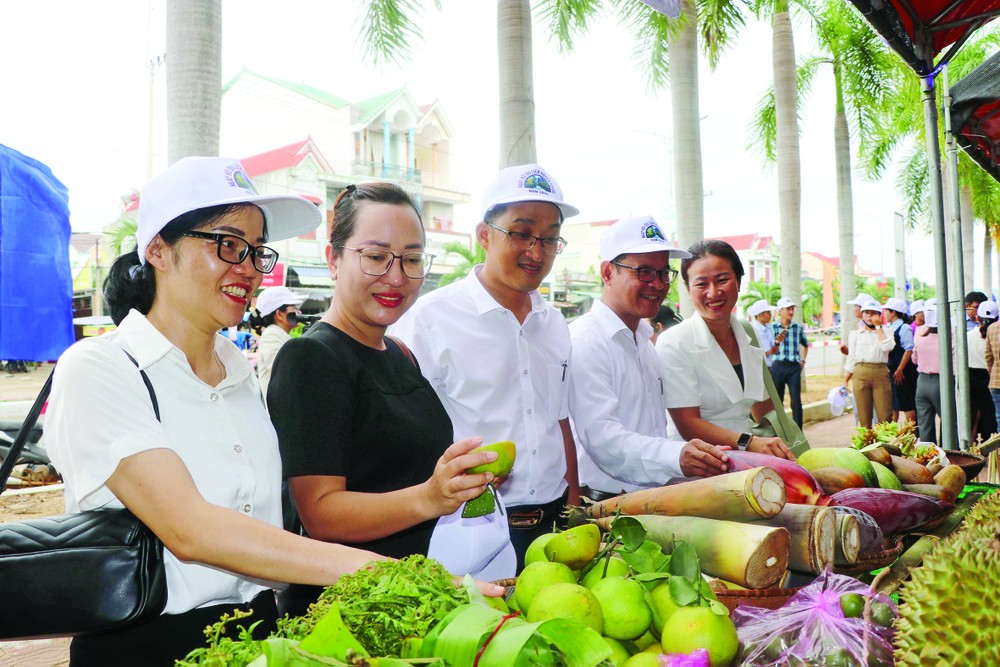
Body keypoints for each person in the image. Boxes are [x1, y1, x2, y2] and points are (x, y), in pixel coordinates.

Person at [42, 157, 412, 665]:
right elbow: (192, 529)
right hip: (149, 645)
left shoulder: (239, 376)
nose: (248, 269)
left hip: (260, 636)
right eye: (228, 245)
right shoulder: (101, 367)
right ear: (158, 250)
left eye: (257, 251)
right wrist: (379, 571)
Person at [267, 183, 513, 617]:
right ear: (334, 260)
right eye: (376, 257)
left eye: (412, 259)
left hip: (417, 593)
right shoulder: (311, 357)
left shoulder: (400, 353)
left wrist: (458, 481)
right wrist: (430, 497)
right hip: (351, 609)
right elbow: (320, 513)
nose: (396, 277)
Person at [392, 163, 580, 570]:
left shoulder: (554, 323)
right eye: (521, 233)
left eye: (550, 239)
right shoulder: (430, 319)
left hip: (552, 525)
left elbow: (560, 420)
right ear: (483, 235)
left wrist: (573, 505)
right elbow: (402, 432)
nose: (536, 251)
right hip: (467, 526)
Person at [568, 216, 736, 501]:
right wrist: (676, 456)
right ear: (608, 273)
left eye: (662, 273)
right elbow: (603, 439)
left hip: (648, 499)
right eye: (644, 272)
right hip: (605, 505)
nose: (657, 284)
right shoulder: (585, 342)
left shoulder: (643, 343)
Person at [657, 239, 795, 460]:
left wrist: (780, 443)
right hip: (700, 466)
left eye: (722, 280)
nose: (713, 293)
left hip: (749, 462)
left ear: (739, 282)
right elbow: (688, 424)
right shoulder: (673, 342)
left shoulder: (747, 334)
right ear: (687, 288)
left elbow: (765, 411)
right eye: (701, 284)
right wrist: (749, 443)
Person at [843, 300, 894, 428]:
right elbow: (851, 357)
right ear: (862, 315)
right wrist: (846, 379)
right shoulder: (855, 334)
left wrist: (878, 327)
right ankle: (866, 446)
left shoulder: (887, 331)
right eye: (866, 313)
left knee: (885, 417)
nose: (870, 316)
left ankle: (885, 446)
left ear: (879, 315)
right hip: (861, 372)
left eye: (874, 313)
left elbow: (887, 347)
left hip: (880, 372)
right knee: (863, 417)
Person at [250, 285, 305, 403]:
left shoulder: (279, 334)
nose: (298, 312)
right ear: (280, 314)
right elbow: (286, 375)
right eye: (294, 308)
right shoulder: (272, 335)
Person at [769, 296, 810, 429]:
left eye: (792, 309)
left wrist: (802, 361)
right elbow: (768, 348)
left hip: (794, 367)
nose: (791, 312)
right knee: (777, 400)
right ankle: (779, 429)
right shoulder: (772, 328)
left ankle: (798, 429)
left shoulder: (797, 328)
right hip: (777, 366)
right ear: (780, 311)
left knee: (796, 400)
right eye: (788, 309)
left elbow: (805, 344)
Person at [883, 297, 917, 425]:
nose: (884, 313)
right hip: (892, 370)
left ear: (894, 312)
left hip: (903, 372)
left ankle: (911, 434)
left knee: (906, 403)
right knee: (894, 404)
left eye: (887, 310)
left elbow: (909, 349)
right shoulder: (889, 328)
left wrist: (900, 369)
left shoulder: (904, 328)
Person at [968, 301, 998, 441]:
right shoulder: (995, 331)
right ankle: (991, 449)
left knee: (972, 416)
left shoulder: (968, 336)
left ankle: (970, 451)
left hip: (972, 377)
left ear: (977, 318)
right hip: (990, 377)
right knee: (991, 416)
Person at [912, 304, 942, 444]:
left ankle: (928, 454)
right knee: (948, 419)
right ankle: (948, 451)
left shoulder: (921, 338)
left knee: (924, 423)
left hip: (922, 381)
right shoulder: (948, 340)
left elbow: (914, 359)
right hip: (941, 381)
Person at [747, 299, 777, 368]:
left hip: (769, 366)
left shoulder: (766, 328)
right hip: (762, 368)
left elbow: (774, 351)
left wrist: (777, 343)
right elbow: (766, 353)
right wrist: (774, 347)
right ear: (760, 315)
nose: (770, 315)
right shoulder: (757, 330)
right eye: (768, 312)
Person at [985, 313, 1000, 434]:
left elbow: (988, 356)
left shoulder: (992, 328)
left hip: (996, 380)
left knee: (999, 418)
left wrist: (992, 374)